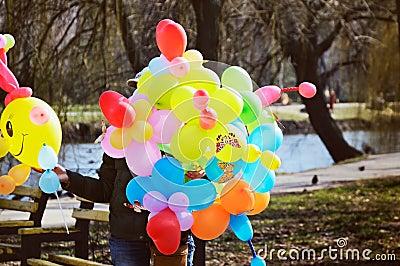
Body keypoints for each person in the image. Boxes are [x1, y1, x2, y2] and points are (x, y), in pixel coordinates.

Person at [54, 153, 205, 266]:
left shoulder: (182, 126)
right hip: (127, 238)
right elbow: (105, 190)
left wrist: (203, 175)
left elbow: (208, 187)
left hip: (173, 235)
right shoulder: (119, 136)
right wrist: (69, 178)